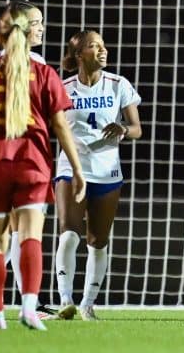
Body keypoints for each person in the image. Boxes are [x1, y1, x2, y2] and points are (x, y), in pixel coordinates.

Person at [0, 2, 86, 330]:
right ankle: (30, 309)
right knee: (30, 237)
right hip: (32, 164)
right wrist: (76, 169)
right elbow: (60, 126)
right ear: (23, 31)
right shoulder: (43, 72)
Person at [53, 30, 142, 322]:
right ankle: (65, 301)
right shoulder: (63, 87)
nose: (103, 50)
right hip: (71, 169)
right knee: (68, 234)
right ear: (79, 55)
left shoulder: (119, 85)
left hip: (107, 171)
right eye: (94, 46)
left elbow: (137, 129)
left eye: (104, 45)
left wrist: (124, 130)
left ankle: (88, 304)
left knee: (98, 240)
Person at [0, 0, 53, 316]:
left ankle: (6, 299)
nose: (40, 27)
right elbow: (52, 118)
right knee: (20, 234)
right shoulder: (30, 63)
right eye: (35, 22)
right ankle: (23, 303)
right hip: (22, 159)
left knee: (10, 236)